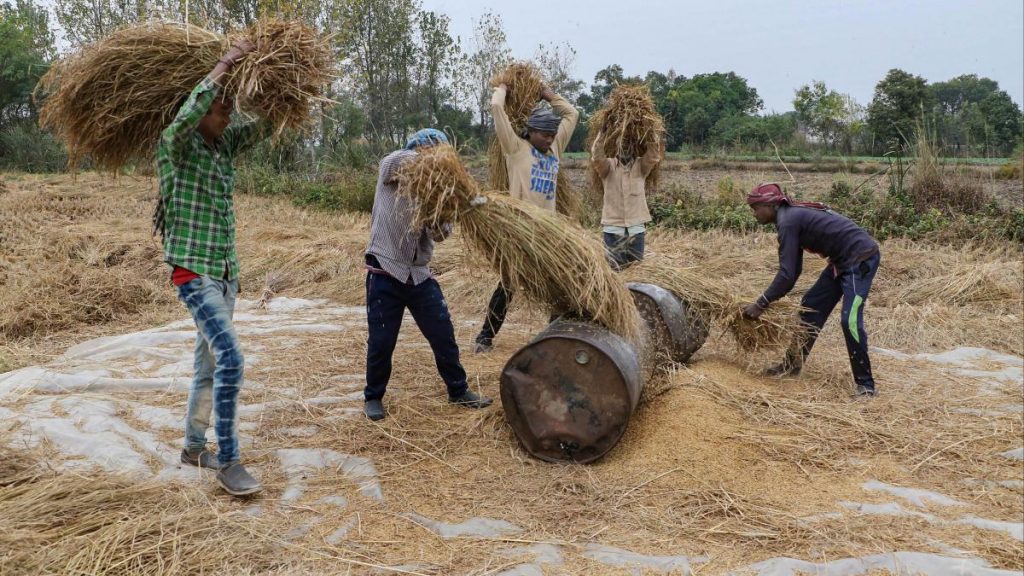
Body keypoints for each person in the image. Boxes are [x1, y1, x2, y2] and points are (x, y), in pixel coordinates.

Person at [153, 39, 269, 496]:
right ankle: (229, 459)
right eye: (219, 110)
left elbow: (265, 129)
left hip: (224, 274)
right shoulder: (175, 148)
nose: (225, 117)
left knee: (208, 362)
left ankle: (193, 446)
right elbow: (184, 117)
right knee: (232, 359)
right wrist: (225, 64)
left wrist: (277, 90)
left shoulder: (221, 150)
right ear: (199, 111)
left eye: (227, 111)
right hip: (193, 271)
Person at [363, 128, 493, 421]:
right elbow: (396, 161)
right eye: (434, 152)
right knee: (382, 342)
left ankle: (458, 391)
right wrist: (441, 169)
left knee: (443, 334)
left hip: (419, 275)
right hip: (385, 270)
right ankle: (373, 397)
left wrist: (443, 205)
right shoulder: (392, 170)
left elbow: (441, 234)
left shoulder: (437, 194)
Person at [741, 183, 881, 397]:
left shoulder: (787, 222)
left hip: (859, 259)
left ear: (768, 205)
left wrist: (761, 303)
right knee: (811, 306)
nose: (754, 213)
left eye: (755, 207)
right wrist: (766, 300)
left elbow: (787, 275)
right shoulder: (789, 218)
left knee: (849, 320)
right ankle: (792, 366)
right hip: (841, 261)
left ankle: (866, 385)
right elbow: (793, 272)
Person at [473, 83, 579, 353]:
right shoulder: (516, 149)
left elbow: (572, 114)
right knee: (508, 285)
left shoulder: (554, 149)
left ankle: (551, 333)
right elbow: (497, 107)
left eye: (552, 134)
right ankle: (485, 337)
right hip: (520, 230)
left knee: (557, 282)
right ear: (530, 131)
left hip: (548, 231)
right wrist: (504, 87)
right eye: (544, 134)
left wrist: (548, 96)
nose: (549, 139)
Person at [590, 131, 662, 269]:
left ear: (633, 148)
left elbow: (653, 155)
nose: (625, 148)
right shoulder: (607, 167)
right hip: (613, 229)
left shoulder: (641, 166)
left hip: (636, 229)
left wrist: (650, 133)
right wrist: (602, 134)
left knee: (636, 270)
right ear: (616, 148)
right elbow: (597, 157)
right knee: (616, 270)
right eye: (622, 145)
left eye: (628, 145)